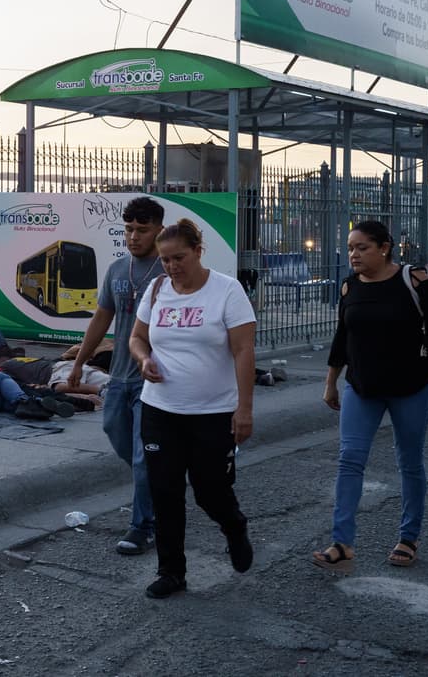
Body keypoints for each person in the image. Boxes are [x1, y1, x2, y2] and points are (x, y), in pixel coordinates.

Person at [313, 220, 428, 573]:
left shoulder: (415, 282)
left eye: (362, 247)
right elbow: (342, 338)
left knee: (409, 462)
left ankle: (408, 537)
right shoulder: (350, 287)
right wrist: (331, 381)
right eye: (351, 248)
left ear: (384, 248)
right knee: (349, 460)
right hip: (362, 387)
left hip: (410, 387)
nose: (354, 254)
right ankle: (342, 542)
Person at [128, 218, 257, 599]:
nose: (171, 267)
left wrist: (244, 409)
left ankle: (233, 527)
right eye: (165, 260)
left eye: (179, 258)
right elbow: (137, 337)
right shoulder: (156, 290)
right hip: (160, 410)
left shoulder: (226, 291)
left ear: (198, 251)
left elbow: (243, 350)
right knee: (165, 492)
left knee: (210, 490)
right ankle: (171, 571)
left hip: (212, 413)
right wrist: (142, 359)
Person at [65, 195, 164, 556]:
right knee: (116, 434)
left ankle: (143, 526)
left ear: (159, 230)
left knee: (142, 457)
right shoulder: (117, 270)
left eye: (143, 229)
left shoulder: (168, 273)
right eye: (129, 229)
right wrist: (80, 360)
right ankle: (155, 484)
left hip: (153, 380)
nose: (134, 236)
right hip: (119, 375)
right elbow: (101, 318)